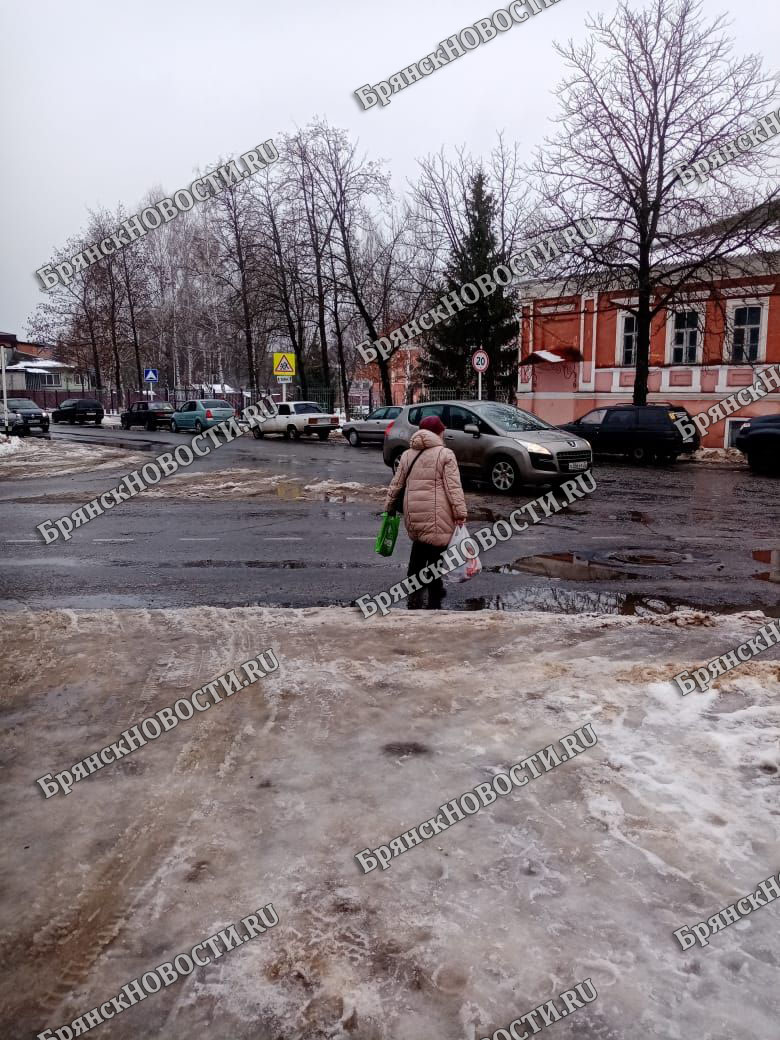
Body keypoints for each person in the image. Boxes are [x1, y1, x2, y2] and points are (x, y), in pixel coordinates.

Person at [384, 414, 467, 609]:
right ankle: (434, 593)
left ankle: (414, 591)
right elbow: (453, 488)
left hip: (412, 512)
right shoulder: (445, 455)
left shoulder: (407, 454)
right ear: (438, 432)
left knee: (419, 548)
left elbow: (396, 484)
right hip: (437, 513)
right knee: (436, 553)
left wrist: (388, 507)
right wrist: (460, 513)